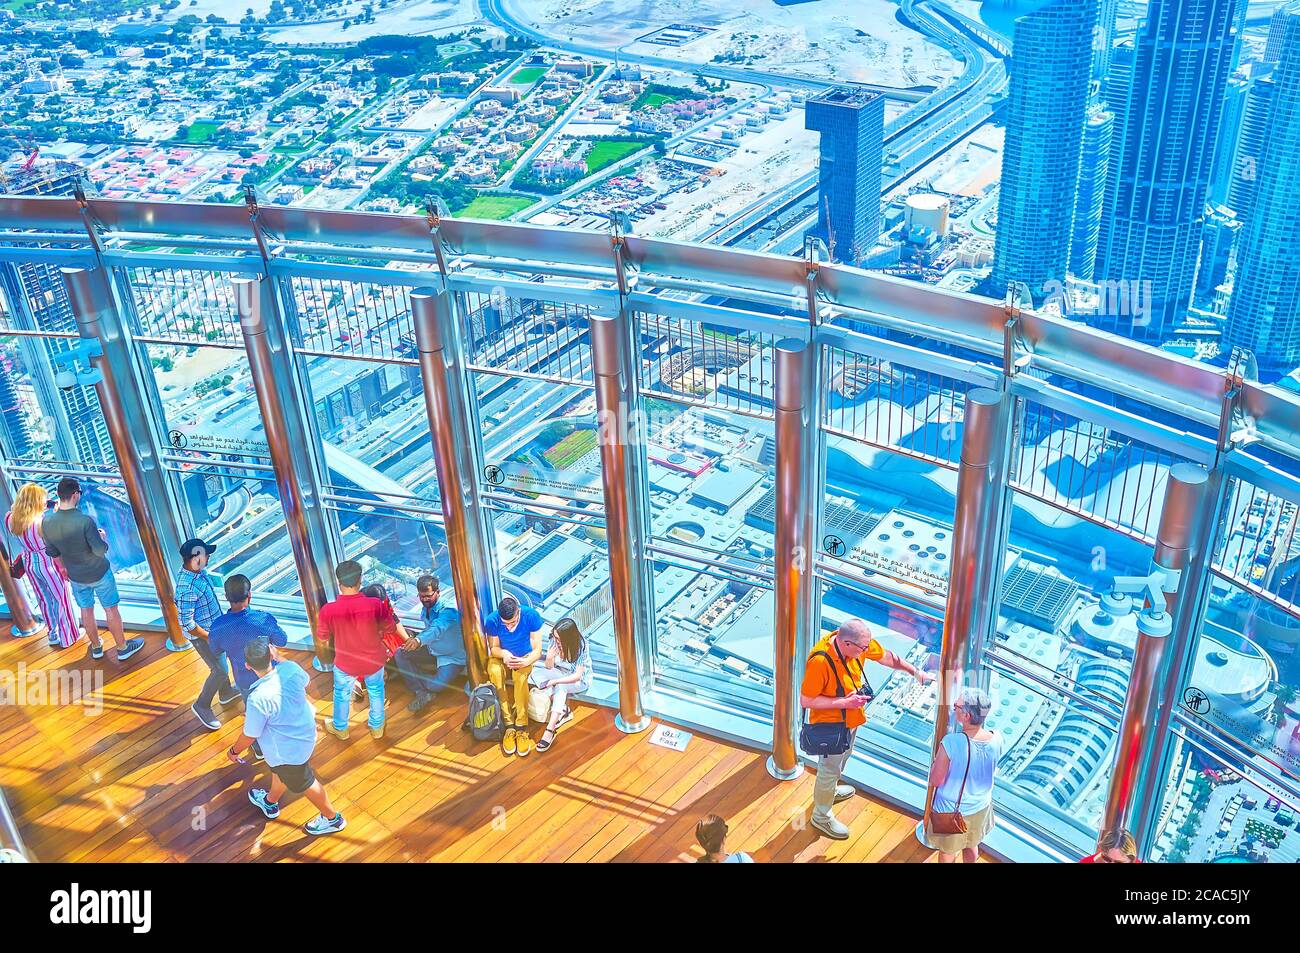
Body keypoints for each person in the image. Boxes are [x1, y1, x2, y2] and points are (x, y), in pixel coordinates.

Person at [800, 617, 932, 840]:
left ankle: (829, 792)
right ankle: (820, 816)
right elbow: (806, 700)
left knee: (841, 761)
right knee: (828, 770)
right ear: (847, 644)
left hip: (850, 720)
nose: (866, 651)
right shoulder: (820, 662)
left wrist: (914, 672)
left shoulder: (857, 645)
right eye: (863, 648)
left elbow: (887, 657)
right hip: (830, 725)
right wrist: (845, 703)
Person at [228, 640, 346, 837]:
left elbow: (250, 734)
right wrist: (279, 657)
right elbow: (306, 681)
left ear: (247, 665)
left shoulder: (258, 698)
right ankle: (270, 802)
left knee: (305, 782)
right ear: (271, 655)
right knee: (282, 773)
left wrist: (233, 751)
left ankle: (333, 819)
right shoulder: (290, 669)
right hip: (305, 735)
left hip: (287, 752)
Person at [42, 477, 143, 662]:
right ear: (74, 495)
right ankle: (122, 648)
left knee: (86, 610)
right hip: (99, 572)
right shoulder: (84, 521)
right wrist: (103, 538)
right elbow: (99, 550)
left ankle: (96, 647)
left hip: (76, 576)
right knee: (111, 609)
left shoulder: (47, 522)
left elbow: (53, 552)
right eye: (79, 493)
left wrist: (64, 569)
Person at [319, 560, 397, 741]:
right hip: (374, 660)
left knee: (341, 694)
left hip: (345, 663)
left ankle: (341, 729)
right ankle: (377, 727)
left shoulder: (328, 610)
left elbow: (322, 636)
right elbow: (390, 627)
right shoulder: (375, 604)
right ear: (360, 580)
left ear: (339, 583)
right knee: (376, 690)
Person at [922, 686, 1001, 863]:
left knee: (947, 852)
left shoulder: (952, 743)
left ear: (967, 716)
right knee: (971, 844)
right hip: (981, 805)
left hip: (952, 810)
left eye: (956, 706)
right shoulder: (997, 737)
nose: (953, 708)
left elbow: (936, 780)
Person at [4, 482, 79, 649]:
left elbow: (16, 511)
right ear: (36, 502)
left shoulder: (10, 518)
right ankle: (68, 637)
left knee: (44, 600)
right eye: (43, 500)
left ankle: (53, 633)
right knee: (62, 599)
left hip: (29, 563)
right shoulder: (43, 521)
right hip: (49, 564)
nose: (45, 503)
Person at [175, 537, 239, 730]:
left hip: (214, 630)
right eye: (206, 554)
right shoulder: (187, 588)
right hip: (205, 637)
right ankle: (202, 704)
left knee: (222, 664)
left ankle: (226, 693)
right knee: (219, 670)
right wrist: (209, 637)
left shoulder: (197, 573)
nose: (209, 556)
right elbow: (187, 624)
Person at [208, 574, 289, 700]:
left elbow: (215, 650)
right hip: (270, 675)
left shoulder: (218, 626)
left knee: (253, 708)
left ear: (226, 597)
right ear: (249, 594)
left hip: (244, 681)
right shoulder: (263, 619)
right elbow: (282, 640)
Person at [483, 594, 545, 758]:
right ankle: (508, 723)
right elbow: (493, 648)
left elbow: (538, 650)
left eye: (513, 623)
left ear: (518, 612)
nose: (509, 627)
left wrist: (525, 661)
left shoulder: (531, 616)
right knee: (495, 673)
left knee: (521, 678)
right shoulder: (492, 621)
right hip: (503, 657)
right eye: (506, 624)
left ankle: (521, 725)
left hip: (525, 656)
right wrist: (504, 654)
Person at [394, 575, 466, 715]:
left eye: (428, 596)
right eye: (421, 596)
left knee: (435, 686)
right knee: (400, 653)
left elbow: (436, 629)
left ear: (438, 592)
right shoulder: (425, 609)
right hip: (432, 649)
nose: (424, 599)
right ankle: (419, 691)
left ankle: (424, 685)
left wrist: (418, 641)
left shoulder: (448, 611)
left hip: (452, 657)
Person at [530, 616, 590, 753]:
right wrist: (549, 657)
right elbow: (549, 667)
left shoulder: (581, 645)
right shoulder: (553, 641)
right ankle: (563, 710)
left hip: (578, 681)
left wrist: (555, 682)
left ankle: (550, 729)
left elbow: (577, 676)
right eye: (555, 637)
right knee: (535, 673)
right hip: (559, 672)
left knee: (560, 687)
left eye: (558, 639)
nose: (555, 641)